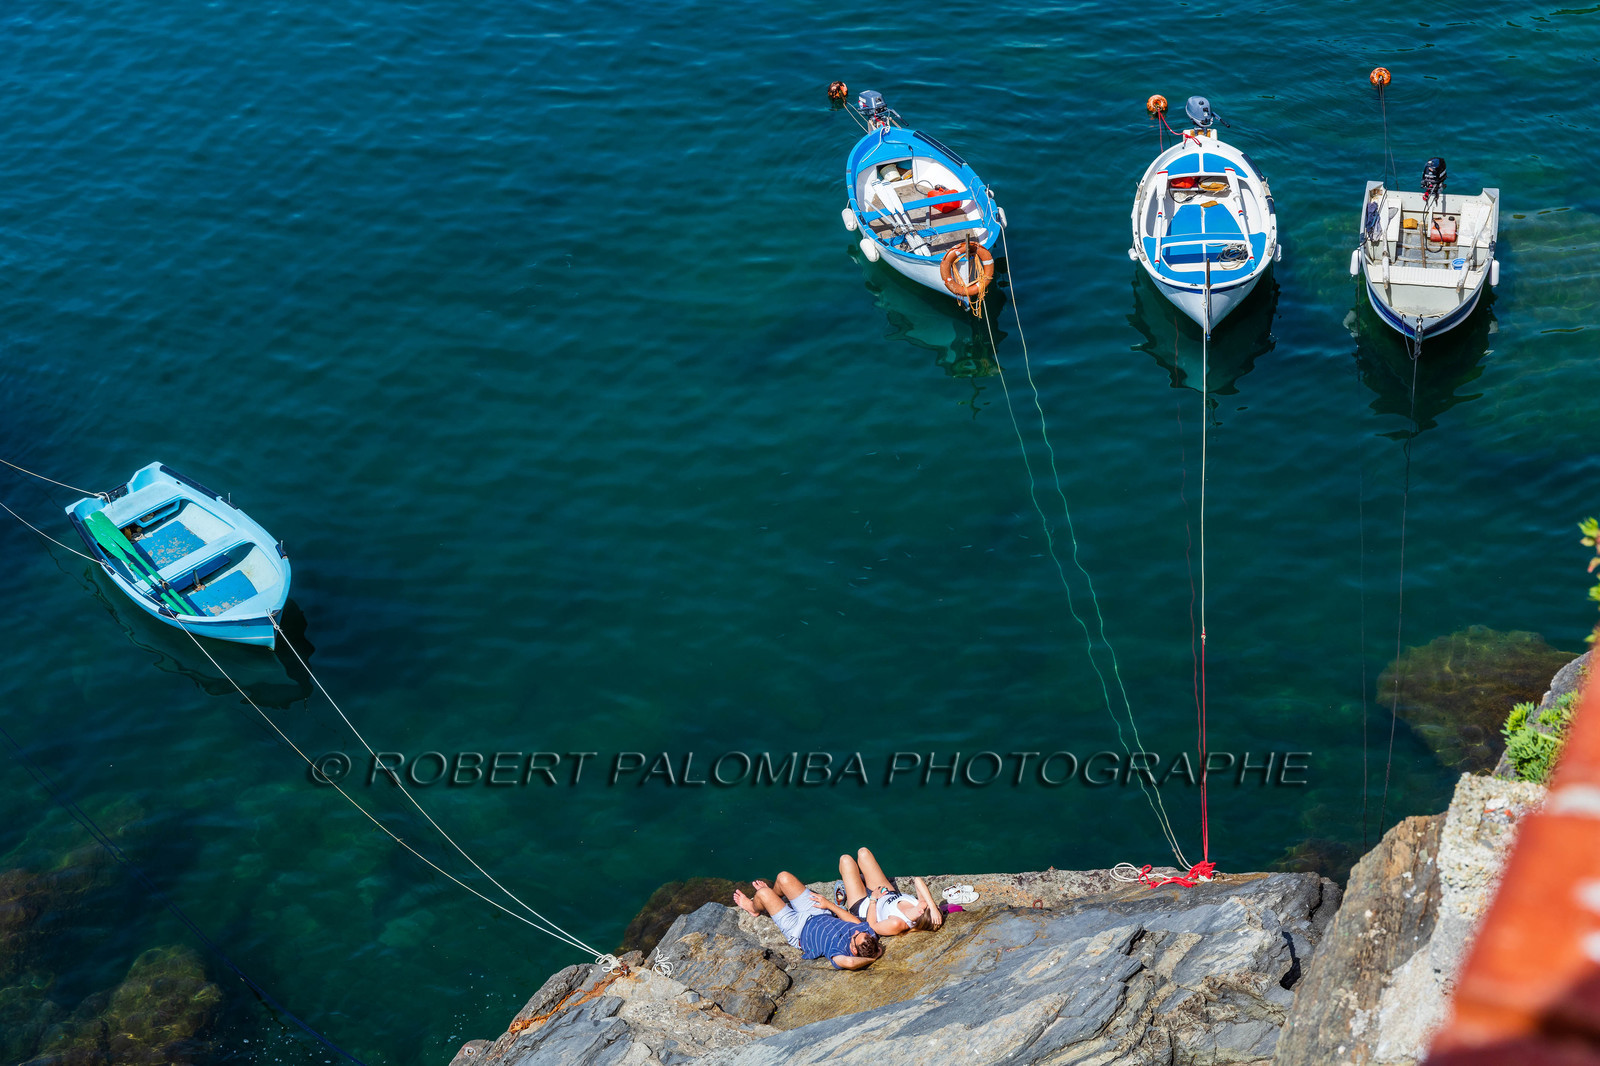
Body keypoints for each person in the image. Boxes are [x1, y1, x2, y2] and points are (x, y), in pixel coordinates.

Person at [733, 872, 883, 970]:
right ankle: (775, 898)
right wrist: (828, 905)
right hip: (819, 912)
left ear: (854, 950)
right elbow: (857, 923)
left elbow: (850, 963)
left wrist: (871, 959)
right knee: (783, 877)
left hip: (798, 929)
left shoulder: (839, 952)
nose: (857, 931)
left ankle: (754, 908)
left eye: (856, 936)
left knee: (763, 894)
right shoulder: (868, 938)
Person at [838, 846, 943, 936]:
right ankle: (858, 880)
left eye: (928, 906)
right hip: (885, 891)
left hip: (863, 906)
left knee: (845, 860)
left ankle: (855, 881)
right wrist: (933, 907)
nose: (928, 902)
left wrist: (873, 899)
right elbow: (917, 880)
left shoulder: (897, 923)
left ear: (921, 912)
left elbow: (872, 926)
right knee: (863, 853)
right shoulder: (918, 904)